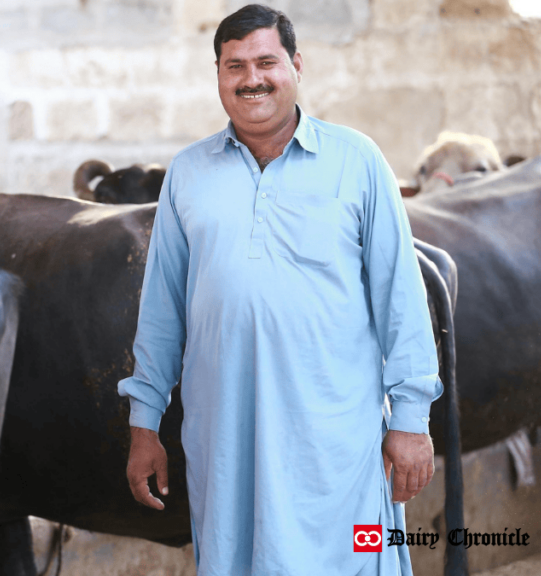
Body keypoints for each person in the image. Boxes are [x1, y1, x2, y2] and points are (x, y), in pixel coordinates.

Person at [118, 4, 442, 575]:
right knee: (235, 558)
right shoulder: (188, 173)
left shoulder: (357, 161)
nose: (252, 79)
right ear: (218, 75)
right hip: (227, 440)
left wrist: (411, 420)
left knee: (356, 556)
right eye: (234, 65)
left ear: (295, 65)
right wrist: (145, 423)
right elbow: (162, 311)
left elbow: (401, 298)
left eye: (266, 61)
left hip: (337, 439)